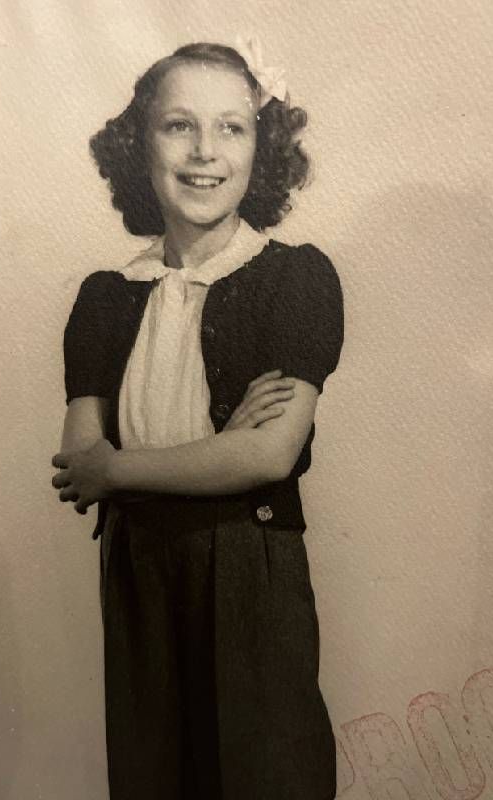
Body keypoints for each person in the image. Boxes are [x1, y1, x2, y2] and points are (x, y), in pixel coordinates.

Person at [51, 36, 344, 800]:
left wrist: (126, 467)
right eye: (179, 126)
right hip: (139, 574)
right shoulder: (104, 297)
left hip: (251, 569)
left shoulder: (297, 280)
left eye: (232, 128)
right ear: (138, 146)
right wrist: (214, 449)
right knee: (154, 777)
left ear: (262, 150)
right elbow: (78, 465)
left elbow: (269, 457)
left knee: (266, 776)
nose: (204, 151)